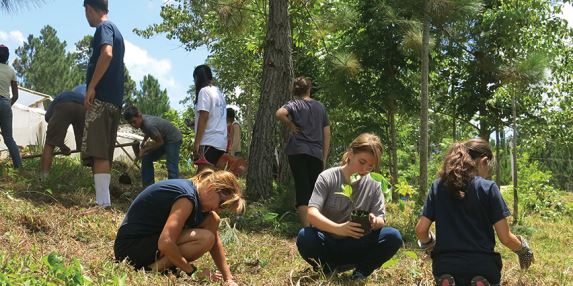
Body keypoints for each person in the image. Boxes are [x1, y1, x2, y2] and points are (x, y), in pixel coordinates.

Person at [415, 138, 534, 286]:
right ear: (484, 161)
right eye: (489, 168)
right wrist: (523, 251)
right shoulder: (488, 188)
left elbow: (421, 230)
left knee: (447, 274)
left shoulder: (438, 187)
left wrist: (430, 245)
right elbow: (505, 238)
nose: (488, 174)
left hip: (445, 266)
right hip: (483, 267)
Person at [296, 133, 403, 281]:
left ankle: (361, 272)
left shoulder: (374, 185)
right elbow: (312, 214)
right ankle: (328, 269)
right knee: (305, 237)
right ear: (351, 154)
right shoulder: (328, 177)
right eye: (362, 162)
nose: (365, 169)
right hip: (328, 243)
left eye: (371, 166)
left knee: (393, 236)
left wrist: (374, 221)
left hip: (358, 244)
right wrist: (338, 229)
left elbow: (381, 219)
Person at [114, 169, 244, 286]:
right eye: (221, 204)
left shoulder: (196, 196)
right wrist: (192, 272)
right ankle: (151, 270)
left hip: (148, 243)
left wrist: (228, 279)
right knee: (204, 238)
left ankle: (157, 267)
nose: (219, 209)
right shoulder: (186, 198)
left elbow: (215, 243)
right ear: (212, 188)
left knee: (213, 221)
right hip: (130, 249)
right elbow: (165, 242)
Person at [81, 0, 125, 207]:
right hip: (114, 101)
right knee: (104, 153)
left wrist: (91, 87)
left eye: (85, 12)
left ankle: (102, 203)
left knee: (98, 151)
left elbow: (106, 54)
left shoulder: (104, 27)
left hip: (102, 99)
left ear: (89, 9)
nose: (86, 17)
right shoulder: (117, 30)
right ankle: (103, 200)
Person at [276, 76, 331, 227]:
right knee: (315, 190)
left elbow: (279, 113)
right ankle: (318, 225)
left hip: (297, 151)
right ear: (309, 89)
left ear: (295, 90)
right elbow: (326, 133)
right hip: (315, 153)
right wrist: (324, 157)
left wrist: (290, 124)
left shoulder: (294, 104)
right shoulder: (320, 107)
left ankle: (307, 228)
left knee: (302, 187)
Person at [123, 105, 183, 186]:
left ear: (139, 116)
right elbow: (148, 132)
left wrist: (144, 150)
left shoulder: (148, 124)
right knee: (147, 159)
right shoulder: (142, 122)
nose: (133, 125)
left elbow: (160, 142)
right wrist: (144, 141)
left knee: (171, 166)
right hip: (163, 138)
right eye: (130, 123)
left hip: (173, 138)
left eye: (134, 121)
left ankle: (174, 189)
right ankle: (148, 187)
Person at [40, 85, 87, 179]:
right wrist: (61, 145)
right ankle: (84, 177)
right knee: (84, 146)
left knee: (50, 144)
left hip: (63, 104)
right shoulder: (84, 98)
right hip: (83, 107)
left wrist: (56, 140)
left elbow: (47, 117)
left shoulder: (64, 94)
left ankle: (43, 179)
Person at [192, 64, 227, 173]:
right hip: (221, 143)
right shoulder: (219, 93)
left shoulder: (204, 91)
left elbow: (204, 116)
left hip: (209, 141)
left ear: (198, 78)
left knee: (202, 179)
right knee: (214, 180)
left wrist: (196, 143)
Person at [0, 44, 21, 169]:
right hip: (5, 104)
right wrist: (7, 104)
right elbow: (16, 95)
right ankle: (19, 167)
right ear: (7, 57)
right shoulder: (11, 71)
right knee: (8, 138)